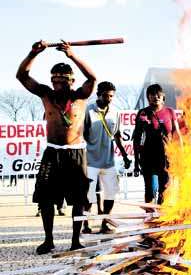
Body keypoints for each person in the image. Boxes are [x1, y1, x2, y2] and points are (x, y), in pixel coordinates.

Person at [16, 40, 96, 254]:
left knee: (79, 199)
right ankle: (48, 240)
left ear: (71, 79)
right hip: (52, 153)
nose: (57, 81)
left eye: (62, 78)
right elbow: (22, 76)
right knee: (45, 198)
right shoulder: (46, 94)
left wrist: (72, 56)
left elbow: (93, 78)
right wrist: (33, 53)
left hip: (76, 153)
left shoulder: (80, 96)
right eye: (54, 78)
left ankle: (76, 240)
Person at [82, 81, 131, 234]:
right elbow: (81, 135)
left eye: (111, 96)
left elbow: (117, 136)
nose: (109, 99)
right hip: (90, 160)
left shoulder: (115, 112)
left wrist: (125, 155)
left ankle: (105, 222)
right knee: (88, 195)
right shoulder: (88, 110)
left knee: (111, 192)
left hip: (109, 161)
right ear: (98, 94)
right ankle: (86, 224)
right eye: (105, 95)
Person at [132, 84, 182, 205]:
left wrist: (181, 155)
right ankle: (149, 218)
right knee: (150, 190)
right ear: (148, 97)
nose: (156, 97)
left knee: (164, 190)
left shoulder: (170, 112)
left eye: (158, 95)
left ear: (163, 97)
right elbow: (137, 138)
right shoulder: (143, 113)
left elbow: (177, 135)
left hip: (166, 156)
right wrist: (136, 161)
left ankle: (160, 218)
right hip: (148, 156)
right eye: (152, 95)